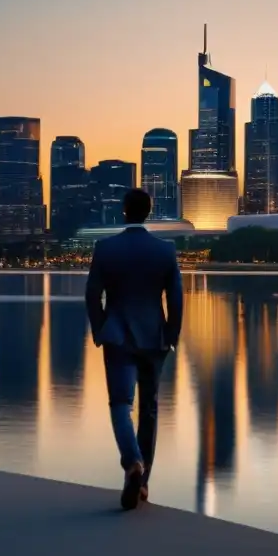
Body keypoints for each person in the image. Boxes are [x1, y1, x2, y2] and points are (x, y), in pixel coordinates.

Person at [85, 188, 184, 510]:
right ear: (149, 211)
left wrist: (101, 329)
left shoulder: (105, 248)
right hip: (154, 337)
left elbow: (92, 296)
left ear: (125, 211)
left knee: (120, 404)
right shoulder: (165, 251)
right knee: (150, 408)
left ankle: (132, 463)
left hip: (117, 335)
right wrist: (171, 335)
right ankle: (142, 483)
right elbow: (177, 300)